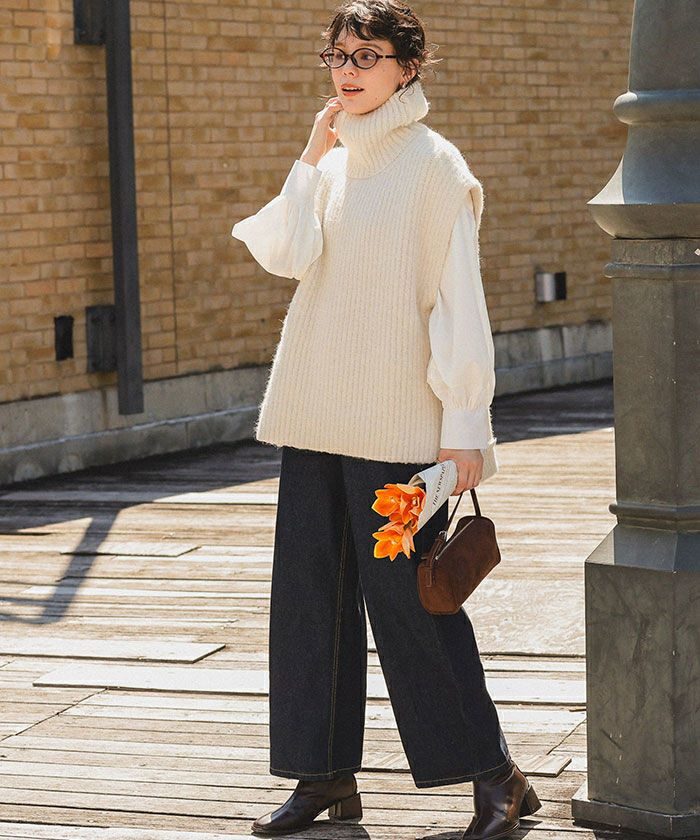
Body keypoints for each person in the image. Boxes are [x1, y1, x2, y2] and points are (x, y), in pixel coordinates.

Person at [231, 1, 541, 836]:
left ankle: (496, 776)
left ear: (408, 68)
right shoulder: (332, 166)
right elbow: (284, 254)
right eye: (337, 55)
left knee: (413, 604)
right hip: (315, 417)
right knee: (308, 605)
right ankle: (323, 777)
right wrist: (310, 153)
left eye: (366, 55)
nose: (347, 70)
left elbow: (458, 303)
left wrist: (466, 426)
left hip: (400, 431)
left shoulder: (436, 167)